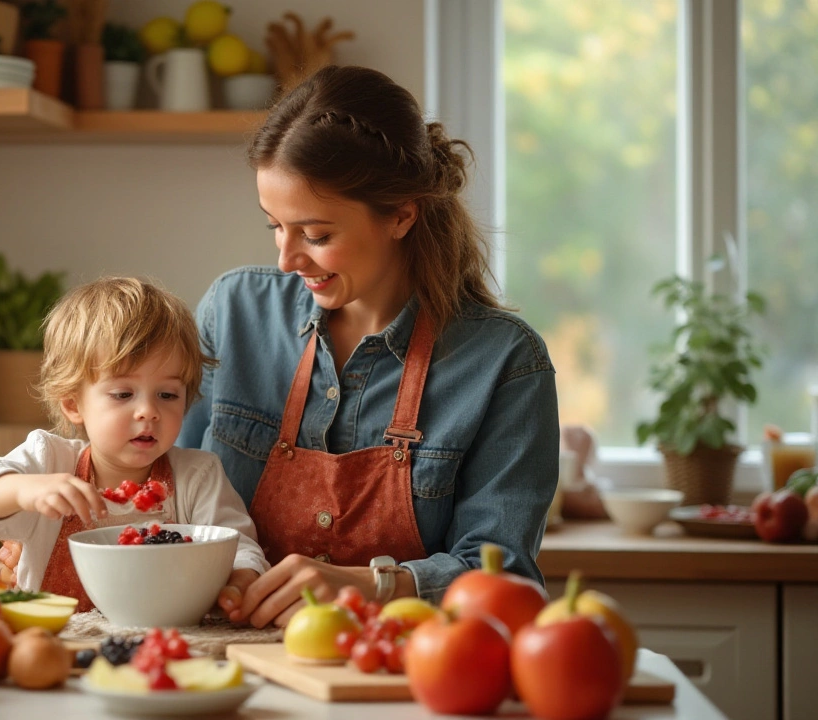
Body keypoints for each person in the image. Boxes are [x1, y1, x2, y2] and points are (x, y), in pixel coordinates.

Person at [177, 65, 560, 627]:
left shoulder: (505, 363)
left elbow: (504, 580)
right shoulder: (233, 314)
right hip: (228, 661)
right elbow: (161, 492)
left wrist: (369, 586)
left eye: (317, 235)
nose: (287, 259)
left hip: (406, 678)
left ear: (402, 214)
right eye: (274, 227)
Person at [0, 277, 269, 614]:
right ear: (73, 404)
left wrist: (240, 579)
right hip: (56, 648)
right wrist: (22, 490)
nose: (149, 412)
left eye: (167, 394)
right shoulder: (49, 462)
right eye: (123, 394)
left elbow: (239, 548)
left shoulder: (198, 476)